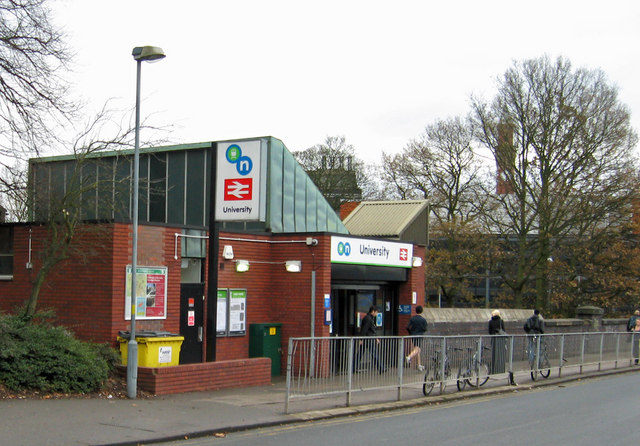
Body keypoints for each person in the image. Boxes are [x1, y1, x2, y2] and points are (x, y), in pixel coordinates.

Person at [354, 306, 386, 373]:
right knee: (374, 354)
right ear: (373, 311)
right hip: (368, 339)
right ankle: (381, 368)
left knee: (360, 354)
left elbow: (370, 330)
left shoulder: (369, 318)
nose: (376, 314)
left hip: (367, 338)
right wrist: (361, 339)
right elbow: (365, 329)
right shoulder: (368, 319)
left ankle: (353, 368)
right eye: (376, 312)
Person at [405, 305, 427, 371]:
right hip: (420, 335)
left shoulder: (412, 319)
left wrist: (410, 332)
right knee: (417, 349)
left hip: (413, 335)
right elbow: (425, 328)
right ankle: (409, 357)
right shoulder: (423, 320)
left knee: (417, 350)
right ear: (421, 311)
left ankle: (419, 365)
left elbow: (407, 327)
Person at [488, 309, 507, 374]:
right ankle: (500, 369)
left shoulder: (490, 322)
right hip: (501, 339)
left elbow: (489, 331)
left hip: (494, 339)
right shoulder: (501, 321)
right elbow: (503, 330)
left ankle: (494, 369)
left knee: (494, 353)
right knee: (501, 354)